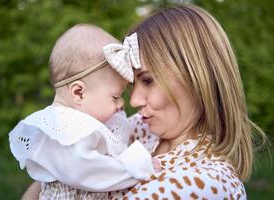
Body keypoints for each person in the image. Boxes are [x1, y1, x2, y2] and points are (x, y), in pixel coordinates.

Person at [21, 4, 267, 200]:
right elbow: (59, 166)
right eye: (133, 85)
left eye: (148, 81)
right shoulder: (143, 128)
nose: (135, 100)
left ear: (196, 78)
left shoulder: (206, 184)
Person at [9, 23, 160, 200]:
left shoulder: (85, 120)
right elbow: (90, 172)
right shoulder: (64, 129)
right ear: (79, 93)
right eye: (115, 96)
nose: (122, 104)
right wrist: (137, 167)